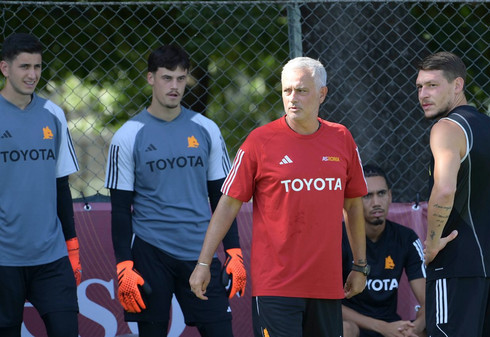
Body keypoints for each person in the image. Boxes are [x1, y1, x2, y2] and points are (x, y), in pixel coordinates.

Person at [189, 56, 369, 337]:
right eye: (287, 91)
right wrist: (203, 263)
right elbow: (227, 206)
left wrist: (360, 265)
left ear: (322, 94)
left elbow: (354, 205)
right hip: (276, 287)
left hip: (326, 285)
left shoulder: (341, 137)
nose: (292, 98)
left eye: (301, 90)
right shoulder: (260, 141)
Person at [104, 44, 246, 337]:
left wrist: (234, 251)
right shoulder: (127, 136)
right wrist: (124, 265)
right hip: (150, 251)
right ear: (150, 78)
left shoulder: (206, 129)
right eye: (167, 78)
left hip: (200, 252)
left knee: (221, 331)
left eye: (181, 79)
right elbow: (120, 208)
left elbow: (223, 198)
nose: (174, 86)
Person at [415, 51, 490, 337]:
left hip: (455, 265)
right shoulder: (489, 127)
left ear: (457, 85)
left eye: (432, 85)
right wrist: (488, 228)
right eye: (419, 87)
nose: (423, 94)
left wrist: (433, 241)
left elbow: (445, 188)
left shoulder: (446, 128)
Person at [0, 33, 81, 337]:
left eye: (37, 66)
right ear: (5, 68)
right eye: (24, 67)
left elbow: (62, 185)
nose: (32, 74)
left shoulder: (53, 115)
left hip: (51, 256)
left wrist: (71, 245)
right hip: (4, 258)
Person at [342, 164, 426, 337]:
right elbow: (329, 304)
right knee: (345, 329)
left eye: (381, 194)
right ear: (354, 200)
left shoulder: (407, 238)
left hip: (393, 327)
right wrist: (381, 327)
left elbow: (428, 300)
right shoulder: (338, 238)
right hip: (357, 327)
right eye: (367, 196)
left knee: (432, 325)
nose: (376, 203)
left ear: (389, 196)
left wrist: (415, 327)